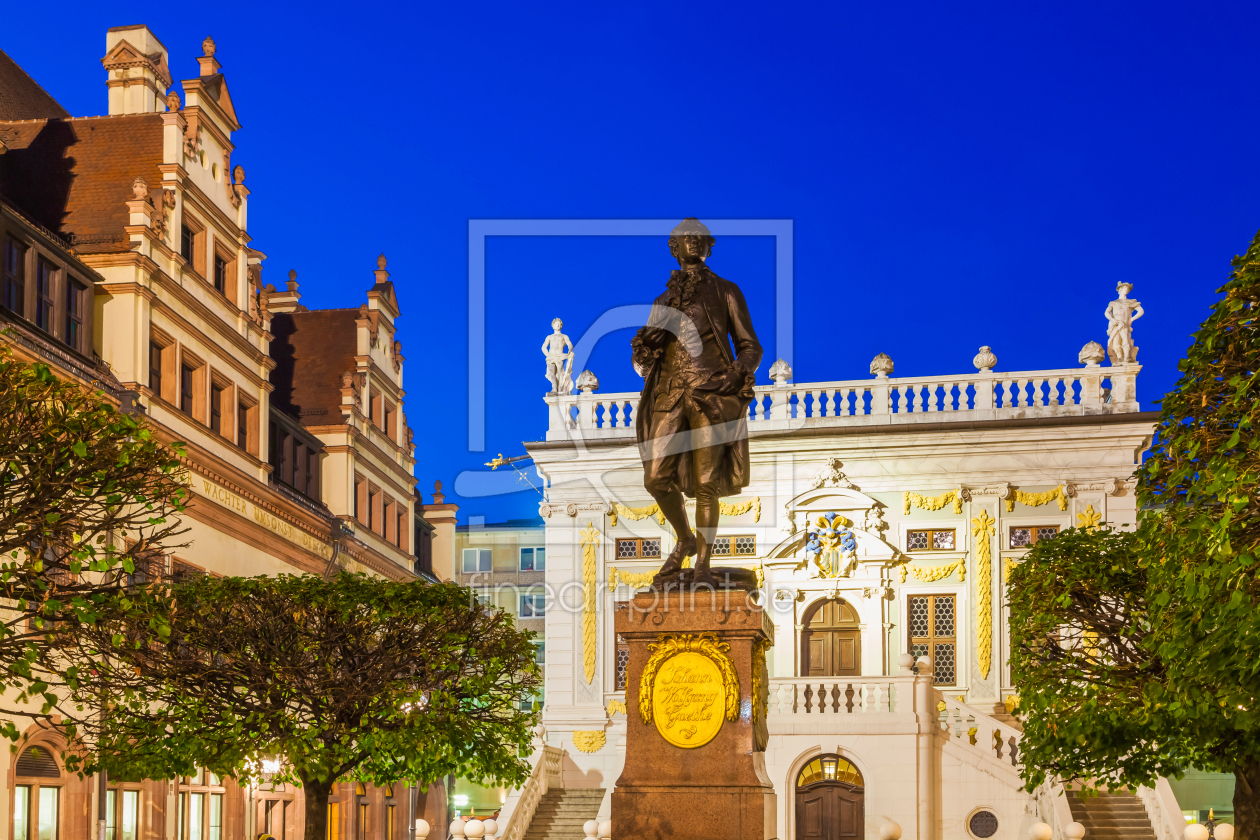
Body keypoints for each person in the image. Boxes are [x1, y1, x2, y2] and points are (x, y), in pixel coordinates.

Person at [631, 218, 762, 588]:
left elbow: (750, 345)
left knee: (707, 484)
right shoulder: (663, 300)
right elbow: (645, 361)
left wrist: (737, 375)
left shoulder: (726, 290)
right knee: (655, 478)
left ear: (709, 247)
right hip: (670, 395)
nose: (692, 241)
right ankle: (685, 537)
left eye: (699, 238)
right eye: (685, 238)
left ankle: (703, 563)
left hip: (711, 394)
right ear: (674, 248)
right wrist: (644, 347)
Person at [540, 318, 574, 395]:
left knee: (559, 371)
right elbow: (543, 347)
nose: (558, 325)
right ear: (553, 325)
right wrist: (548, 355)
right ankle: (554, 388)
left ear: (561, 325)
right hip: (551, 357)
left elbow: (569, 344)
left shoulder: (564, 336)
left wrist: (570, 350)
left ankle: (560, 388)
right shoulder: (549, 337)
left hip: (559, 356)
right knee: (552, 373)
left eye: (559, 324)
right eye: (556, 324)